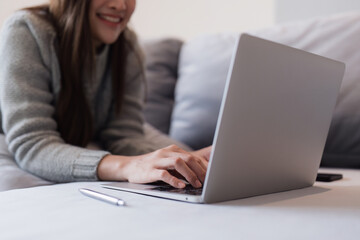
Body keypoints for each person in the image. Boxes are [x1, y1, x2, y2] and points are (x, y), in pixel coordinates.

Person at [0, 0, 211, 189]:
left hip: (90, 135)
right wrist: (128, 166)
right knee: (15, 183)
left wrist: (188, 161)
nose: (120, 5)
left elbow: (125, 134)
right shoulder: (25, 30)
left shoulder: (127, 45)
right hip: (14, 139)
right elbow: (33, 144)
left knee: (185, 158)